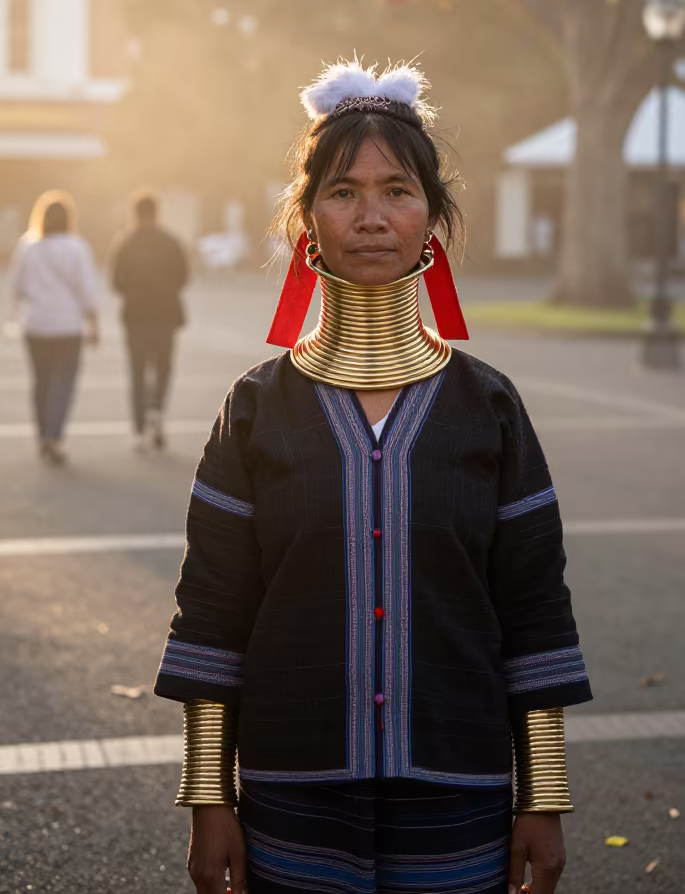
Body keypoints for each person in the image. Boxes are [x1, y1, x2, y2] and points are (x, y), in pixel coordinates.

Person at [154, 60, 592, 894]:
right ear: (307, 218)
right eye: (343, 191)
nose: (372, 217)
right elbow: (212, 611)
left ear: (433, 216)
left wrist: (545, 793)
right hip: (292, 793)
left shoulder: (489, 407)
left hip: (459, 790)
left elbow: (534, 607)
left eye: (397, 190)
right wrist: (210, 795)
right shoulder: (255, 409)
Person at [10, 191, 99, 465]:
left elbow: (17, 286)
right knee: (64, 382)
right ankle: (55, 436)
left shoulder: (28, 246)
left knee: (41, 382)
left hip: (36, 325)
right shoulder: (76, 247)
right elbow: (86, 289)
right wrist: (93, 321)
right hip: (67, 326)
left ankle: (42, 435)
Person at [110, 191, 189, 451]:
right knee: (163, 366)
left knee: (137, 369)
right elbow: (184, 276)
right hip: (165, 313)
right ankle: (156, 409)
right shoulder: (170, 242)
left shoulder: (125, 242)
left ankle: (139, 425)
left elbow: (116, 282)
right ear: (157, 212)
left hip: (135, 314)